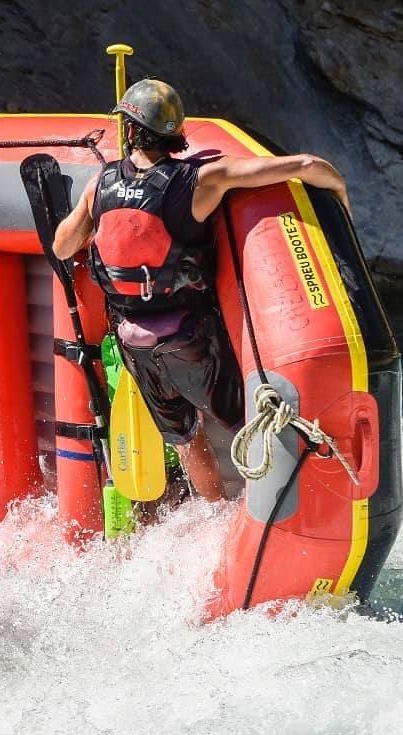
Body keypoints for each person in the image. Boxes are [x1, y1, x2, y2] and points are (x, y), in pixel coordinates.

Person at [52, 78, 350, 501]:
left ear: (131, 130)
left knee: (186, 439)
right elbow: (304, 166)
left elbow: (62, 246)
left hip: (134, 341)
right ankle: (276, 511)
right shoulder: (200, 180)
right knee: (251, 421)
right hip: (189, 337)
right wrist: (339, 191)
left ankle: (210, 508)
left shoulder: (99, 183)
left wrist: (90, 214)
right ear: (174, 133)